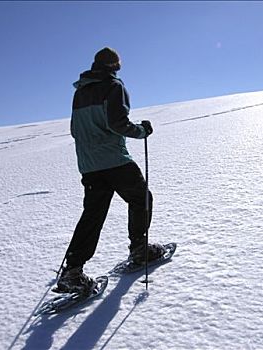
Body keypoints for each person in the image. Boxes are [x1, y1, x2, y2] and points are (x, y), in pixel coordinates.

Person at [57, 47, 165, 293]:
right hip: (115, 161)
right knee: (141, 198)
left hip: (89, 165)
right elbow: (117, 123)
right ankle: (140, 249)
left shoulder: (80, 92)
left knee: (93, 214)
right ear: (114, 66)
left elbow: (75, 129)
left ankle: (73, 270)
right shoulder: (114, 87)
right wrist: (141, 131)